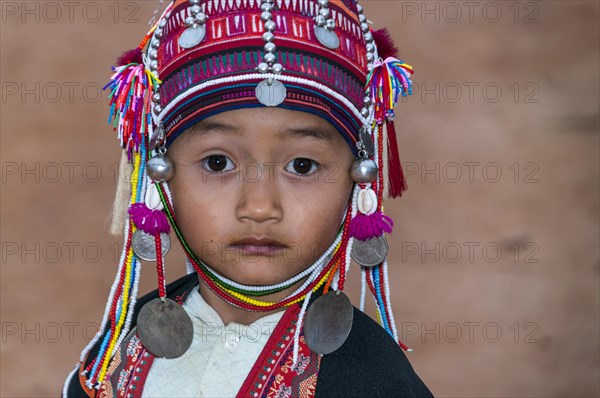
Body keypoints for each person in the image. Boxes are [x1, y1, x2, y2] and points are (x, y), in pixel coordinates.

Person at [63, 0, 433, 396]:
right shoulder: (115, 356)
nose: (259, 207)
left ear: (358, 183)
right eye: (218, 163)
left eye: (303, 166)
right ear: (160, 175)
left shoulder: (375, 382)